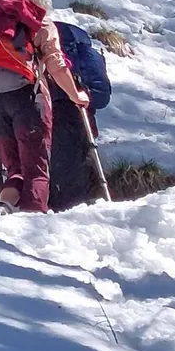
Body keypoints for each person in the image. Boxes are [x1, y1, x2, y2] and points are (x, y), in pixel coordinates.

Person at [0, 0, 88, 213]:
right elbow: (56, 64)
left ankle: (5, 206)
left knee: (13, 167)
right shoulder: (39, 22)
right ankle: (32, 223)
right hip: (25, 98)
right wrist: (75, 95)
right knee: (36, 169)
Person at [48, 15, 112, 210]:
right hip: (75, 113)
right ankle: (70, 208)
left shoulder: (34, 46)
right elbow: (101, 96)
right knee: (72, 163)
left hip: (37, 109)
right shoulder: (85, 53)